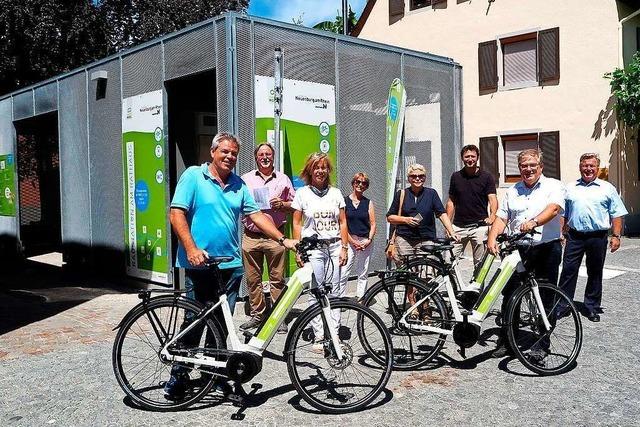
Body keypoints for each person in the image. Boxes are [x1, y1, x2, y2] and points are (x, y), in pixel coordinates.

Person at [166, 132, 297, 399]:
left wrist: (284, 239)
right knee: (195, 320)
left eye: (234, 153)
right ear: (213, 152)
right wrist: (190, 248)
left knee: (222, 325)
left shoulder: (238, 184)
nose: (229, 157)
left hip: (230, 265)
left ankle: (212, 377)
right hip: (200, 263)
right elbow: (176, 212)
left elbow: (256, 215)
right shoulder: (193, 176)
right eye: (225, 151)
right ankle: (178, 375)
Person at [487, 148, 565, 358]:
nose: (528, 169)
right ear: (519, 168)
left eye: (532, 165)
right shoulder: (513, 190)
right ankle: (507, 340)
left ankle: (541, 343)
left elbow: (554, 209)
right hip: (518, 249)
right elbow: (502, 217)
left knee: (545, 295)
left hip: (546, 247)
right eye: (524, 166)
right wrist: (492, 238)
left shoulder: (554, 186)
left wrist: (534, 222)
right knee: (510, 294)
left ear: (541, 167)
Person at [557, 153, 628, 322]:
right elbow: (563, 213)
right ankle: (562, 305)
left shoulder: (607, 188)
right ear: (580, 167)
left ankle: (591, 307)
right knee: (568, 271)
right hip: (574, 236)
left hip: (598, 236)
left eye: (591, 166)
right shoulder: (570, 187)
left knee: (595, 271)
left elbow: (616, 213)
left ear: (597, 168)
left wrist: (616, 235)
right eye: (585, 165)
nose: (588, 169)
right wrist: (561, 233)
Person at [291, 153, 348, 352]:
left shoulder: (336, 193)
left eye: (323, 167)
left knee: (335, 292)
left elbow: (342, 222)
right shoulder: (302, 194)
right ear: (309, 170)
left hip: (334, 246)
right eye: (316, 167)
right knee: (316, 293)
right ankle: (319, 336)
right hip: (313, 249)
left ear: (328, 170)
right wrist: (298, 249)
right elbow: (296, 223)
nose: (320, 171)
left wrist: (344, 247)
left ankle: (335, 333)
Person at [240, 142, 296, 333]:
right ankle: (257, 315)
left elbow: (294, 205)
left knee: (277, 278)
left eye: (268, 154)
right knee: (252, 279)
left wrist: (283, 205)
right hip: (251, 236)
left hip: (276, 235)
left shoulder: (283, 179)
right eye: (261, 154)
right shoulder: (245, 179)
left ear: (273, 157)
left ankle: (278, 316)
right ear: (256, 157)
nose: (265, 157)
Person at [387, 163, 458, 260]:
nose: (417, 178)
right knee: (406, 271)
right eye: (413, 176)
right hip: (404, 240)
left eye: (421, 176)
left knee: (427, 270)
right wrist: (406, 220)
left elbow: (441, 213)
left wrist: (451, 231)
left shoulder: (431, 193)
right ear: (408, 178)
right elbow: (390, 217)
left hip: (426, 239)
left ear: (425, 178)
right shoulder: (401, 194)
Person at [446, 144, 498, 266]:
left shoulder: (487, 177)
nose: (470, 159)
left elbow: (493, 199)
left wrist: (492, 215)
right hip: (458, 228)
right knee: (449, 263)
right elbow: (451, 201)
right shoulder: (456, 177)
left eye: (473, 156)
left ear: (477, 157)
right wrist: (448, 225)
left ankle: (477, 286)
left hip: (479, 228)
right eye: (467, 156)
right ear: (462, 158)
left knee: (480, 265)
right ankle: (454, 286)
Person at [338, 172, 376, 302]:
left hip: (365, 240)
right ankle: (340, 298)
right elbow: (342, 224)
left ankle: (361, 297)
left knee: (363, 271)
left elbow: (373, 223)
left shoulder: (368, 203)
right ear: (353, 183)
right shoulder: (344, 201)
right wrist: (352, 241)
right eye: (358, 182)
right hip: (349, 240)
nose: (360, 185)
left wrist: (369, 240)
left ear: (366, 186)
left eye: (364, 183)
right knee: (344, 270)